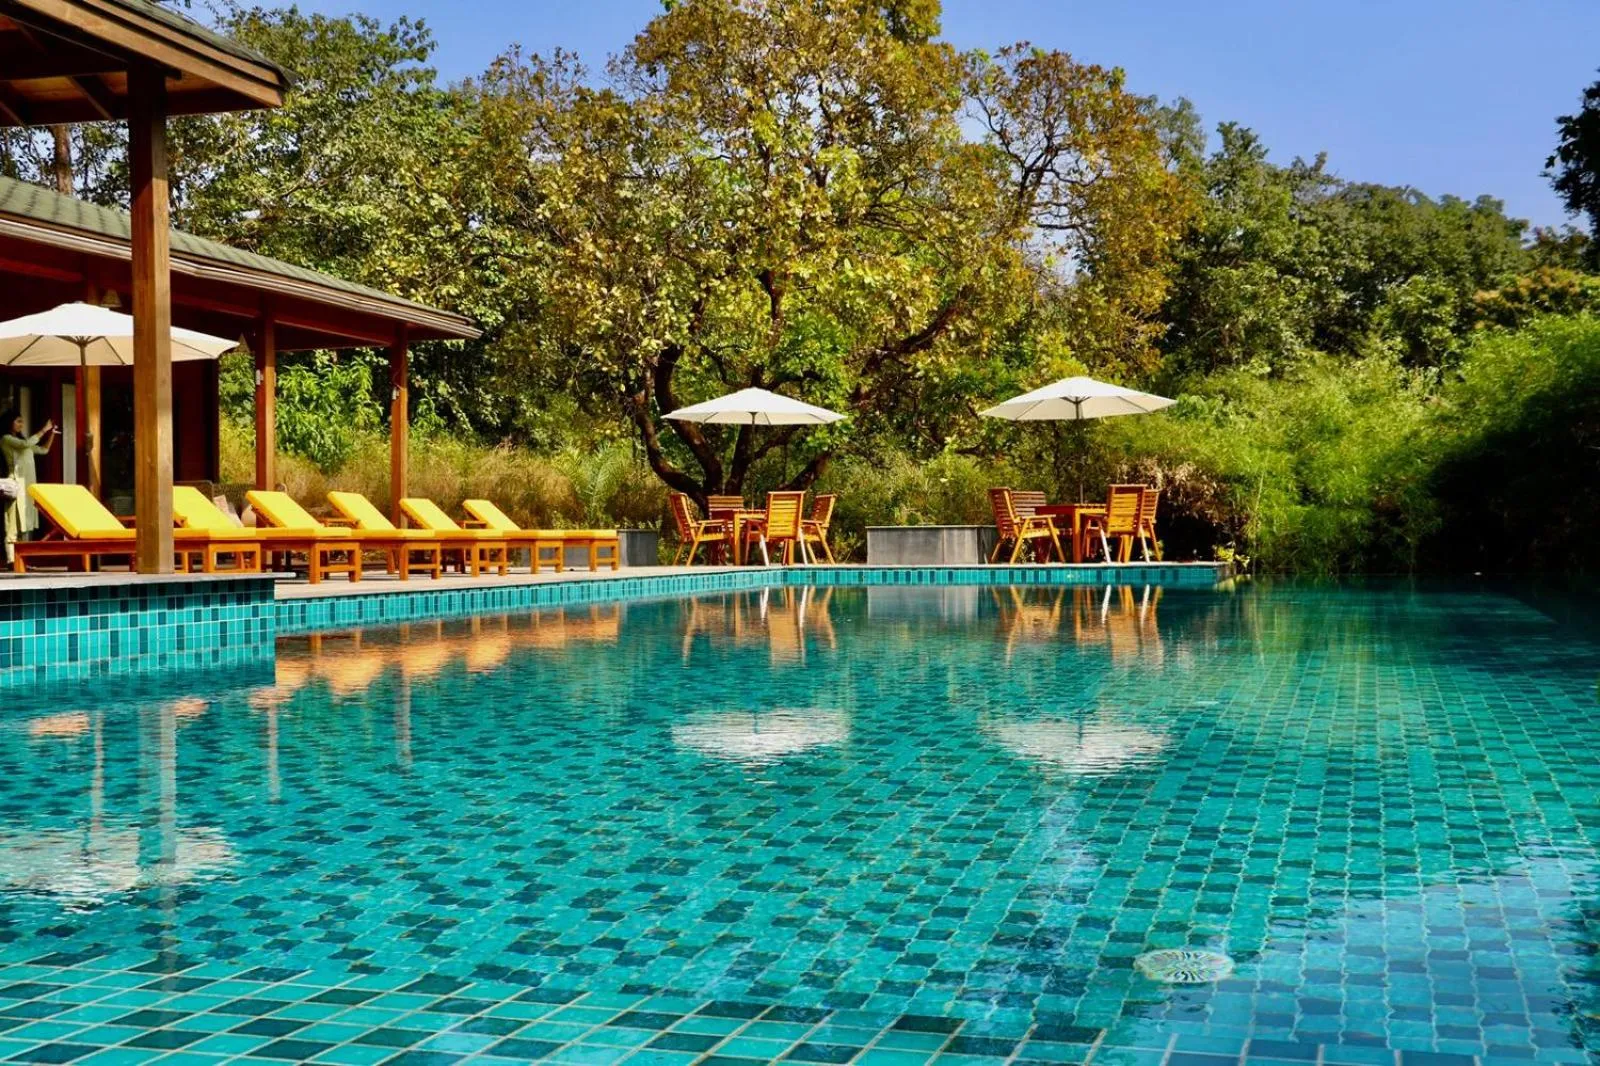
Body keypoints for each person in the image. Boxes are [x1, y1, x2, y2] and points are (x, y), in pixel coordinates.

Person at [2, 410, 56, 564]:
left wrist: (52, 433)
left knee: (24, 524)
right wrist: (44, 429)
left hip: (27, 488)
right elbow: (25, 444)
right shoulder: (6, 439)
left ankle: (22, 561)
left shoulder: (24, 442)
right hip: (16, 485)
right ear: (9, 422)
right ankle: (11, 560)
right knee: (12, 526)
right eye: (18, 421)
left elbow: (44, 450)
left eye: (22, 421)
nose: (21, 424)